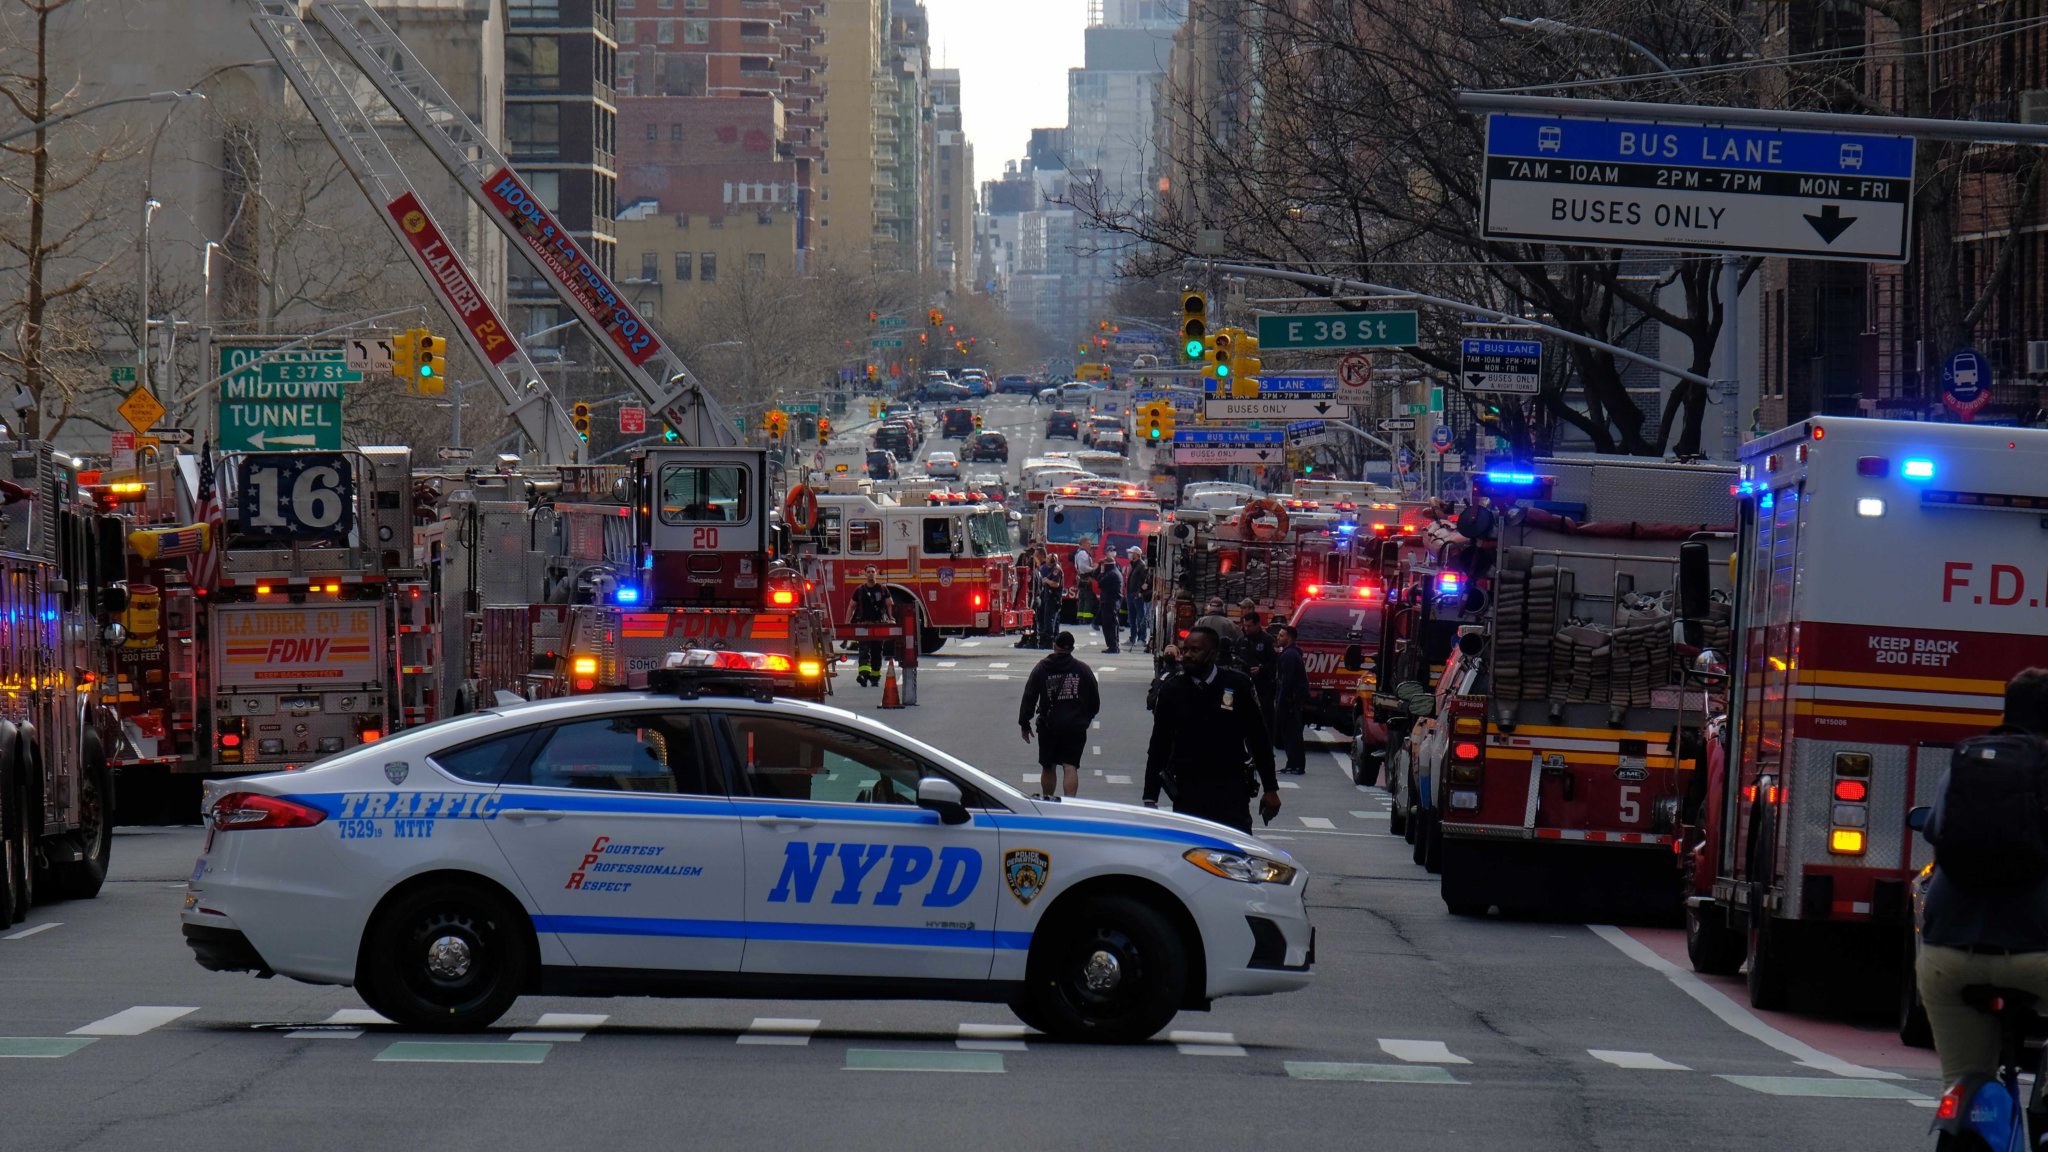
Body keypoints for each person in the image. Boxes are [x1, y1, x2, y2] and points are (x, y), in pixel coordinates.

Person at [1916, 667, 2048, 1087]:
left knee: (1963, 1080)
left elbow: (1934, 829)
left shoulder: (1965, 763)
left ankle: (1962, 1116)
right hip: (2038, 957)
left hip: (1947, 956)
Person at [1143, 625, 1280, 832]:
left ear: (1213, 654)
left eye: (1195, 650)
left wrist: (1270, 788)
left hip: (1231, 788)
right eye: (1185, 649)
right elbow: (1159, 745)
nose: (1187, 655)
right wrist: (1150, 797)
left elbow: (1258, 739)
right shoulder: (1172, 690)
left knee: (1235, 853)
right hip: (1189, 789)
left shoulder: (1238, 685)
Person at [1020, 631, 1100, 798]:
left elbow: (1029, 695)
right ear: (1072, 648)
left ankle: (1048, 800)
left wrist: (1025, 723)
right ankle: (1070, 804)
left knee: (1048, 766)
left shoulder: (1042, 668)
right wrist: (1085, 718)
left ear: (1054, 646)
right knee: (1070, 766)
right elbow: (1094, 700)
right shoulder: (1083, 669)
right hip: (1075, 726)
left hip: (1049, 725)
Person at [1271, 624, 1309, 775]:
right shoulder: (1292, 653)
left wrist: (1281, 702)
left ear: (1289, 637)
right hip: (1293, 701)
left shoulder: (1289, 656)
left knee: (1291, 734)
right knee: (1292, 734)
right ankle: (1294, 764)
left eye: (1281, 635)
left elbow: (1286, 681)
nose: (1278, 638)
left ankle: (1295, 765)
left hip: (1290, 702)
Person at [850, 566, 893, 687]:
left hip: (879, 624)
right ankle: (864, 674)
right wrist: (848, 622)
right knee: (864, 650)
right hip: (863, 624)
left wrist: (891, 618)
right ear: (865, 574)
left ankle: (875, 677)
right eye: (868, 572)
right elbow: (851, 606)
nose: (870, 574)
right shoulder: (859, 590)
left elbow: (889, 604)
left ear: (876, 574)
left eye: (872, 572)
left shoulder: (883, 589)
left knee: (877, 651)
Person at [1240, 610, 1276, 721]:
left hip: (1263, 687)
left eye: (1249, 626)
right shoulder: (1241, 641)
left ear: (1257, 624)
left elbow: (1274, 663)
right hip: (1245, 685)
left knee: (1264, 717)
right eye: (1245, 626)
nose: (1246, 629)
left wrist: (1261, 669)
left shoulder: (1268, 640)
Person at [1193, 596, 1242, 665]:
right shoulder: (1230, 623)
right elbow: (1240, 639)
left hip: (1204, 658)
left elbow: (1193, 638)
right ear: (1223, 608)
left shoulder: (1200, 621)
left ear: (1208, 607)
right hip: (1223, 661)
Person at [1034, 551, 1064, 648]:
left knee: (1050, 620)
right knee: (1048, 620)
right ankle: (1049, 640)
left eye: (1048, 558)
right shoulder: (1051, 569)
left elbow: (1056, 584)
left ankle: (1049, 641)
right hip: (1049, 598)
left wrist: (1046, 580)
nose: (1046, 560)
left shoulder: (1056, 570)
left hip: (1053, 599)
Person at [1124, 546, 1151, 650]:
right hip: (1131, 595)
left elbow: (1144, 582)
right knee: (1132, 618)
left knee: (1140, 617)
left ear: (1137, 555)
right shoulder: (1133, 565)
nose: (1129, 554)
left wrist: (1140, 592)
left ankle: (1142, 639)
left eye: (1131, 553)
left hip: (1137, 596)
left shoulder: (1142, 566)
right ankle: (1132, 638)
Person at [1094, 554, 1122, 654]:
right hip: (1110, 602)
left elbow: (1100, 582)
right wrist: (1099, 567)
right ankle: (1113, 645)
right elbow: (1095, 576)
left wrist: (1101, 571)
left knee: (1109, 625)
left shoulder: (1112, 574)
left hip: (1110, 602)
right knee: (1111, 624)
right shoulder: (1113, 571)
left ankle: (1113, 646)